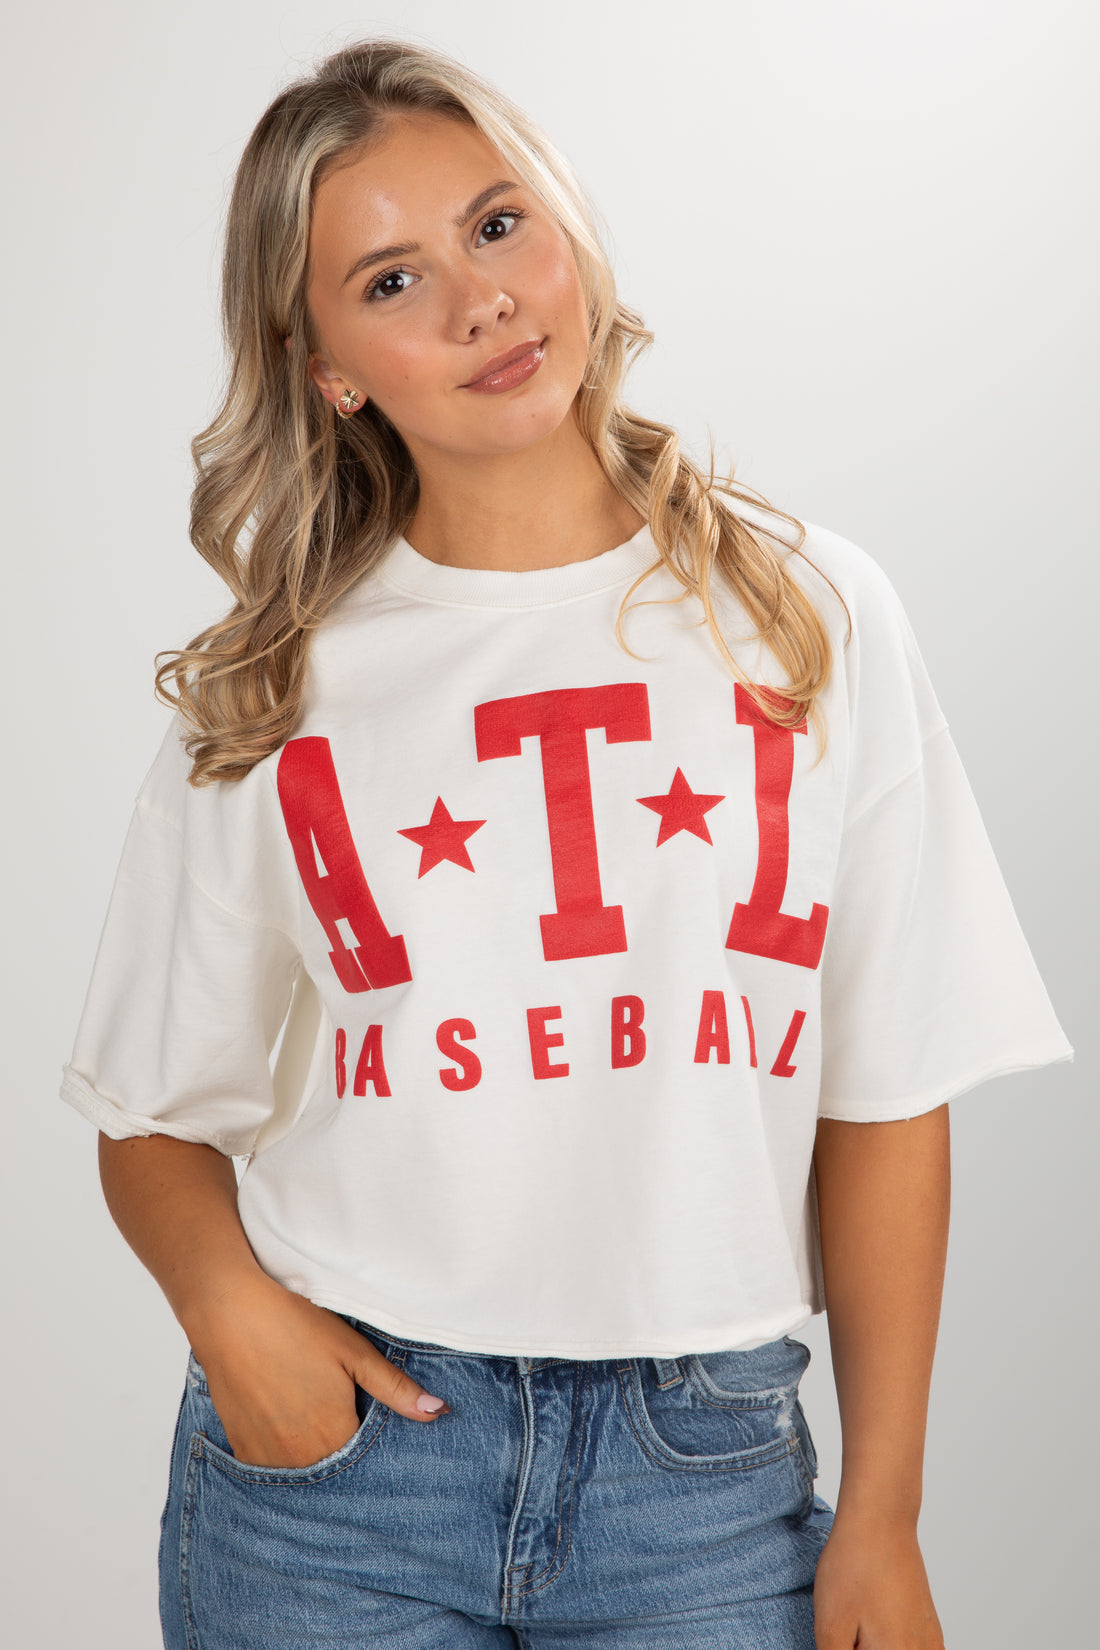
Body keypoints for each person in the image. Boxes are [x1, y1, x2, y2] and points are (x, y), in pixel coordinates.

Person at [59, 36, 1072, 1650]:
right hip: (341, 1485)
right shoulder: (278, 686)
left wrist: (883, 1512)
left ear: (568, 227)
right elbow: (148, 1116)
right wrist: (234, 1317)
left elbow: (886, 1089)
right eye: (391, 281)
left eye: (496, 223)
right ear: (329, 368)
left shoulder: (806, 615)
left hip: (705, 1482)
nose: (480, 301)